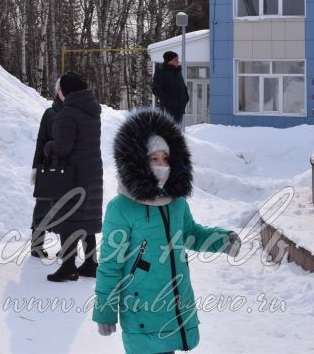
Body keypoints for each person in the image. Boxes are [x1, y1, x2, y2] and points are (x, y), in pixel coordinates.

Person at [93, 109, 241, 353]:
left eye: (165, 158)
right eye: (154, 158)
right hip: (141, 312)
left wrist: (221, 240)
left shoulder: (176, 203)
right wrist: (105, 309)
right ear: (137, 160)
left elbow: (191, 233)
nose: (162, 165)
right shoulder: (121, 208)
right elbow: (110, 265)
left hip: (175, 309)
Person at [43, 71, 103, 282]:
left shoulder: (67, 114)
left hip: (72, 175)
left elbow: (62, 148)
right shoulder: (92, 111)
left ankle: (68, 266)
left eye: (60, 90)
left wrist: (48, 146)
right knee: (86, 218)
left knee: (67, 218)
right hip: (92, 172)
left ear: (65, 92)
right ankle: (90, 263)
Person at [30, 79, 63, 259]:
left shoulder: (73, 113)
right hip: (49, 166)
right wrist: (36, 167)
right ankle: (36, 245)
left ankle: (66, 246)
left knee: (65, 206)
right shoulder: (49, 113)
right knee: (43, 205)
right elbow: (40, 140)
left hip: (66, 168)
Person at [151, 51, 189, 126]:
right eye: (176, 60)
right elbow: (155, 89)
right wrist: (169, 100)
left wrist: (186, 98)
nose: (178, 62)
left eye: (178, 59)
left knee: (177, 132)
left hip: (179, 110)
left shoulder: (178, 72)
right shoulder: (161, 72)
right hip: (168, 110)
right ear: (169, 61)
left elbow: (183, 87)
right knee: (168, 134)